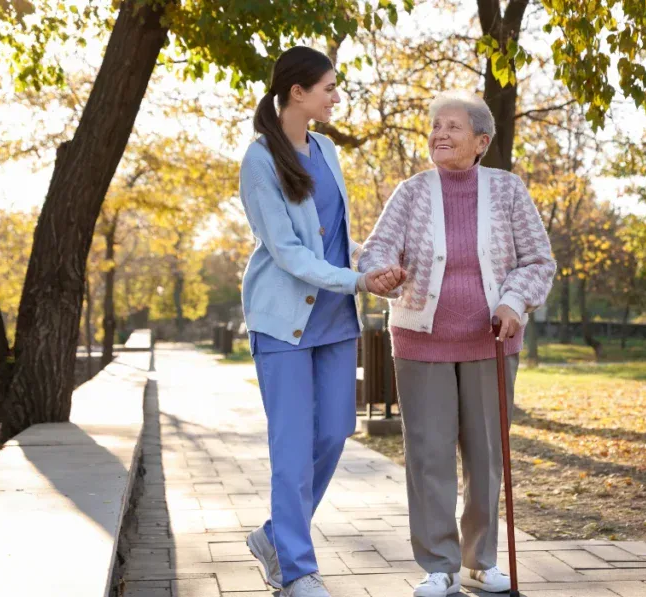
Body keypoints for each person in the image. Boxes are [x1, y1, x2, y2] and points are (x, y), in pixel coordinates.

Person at [358, 91, 556, 597]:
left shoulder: (508, 191)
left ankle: (480, 560)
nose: (439, 135)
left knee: (487, 455)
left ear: (481, 141)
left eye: (452, 127)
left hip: (491, 340)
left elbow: (538, 261)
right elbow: (377, 249)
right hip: (420, 341)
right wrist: (382, 274)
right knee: (428, 454)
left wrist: (513, 302)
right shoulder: (411, 192)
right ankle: (439, 565)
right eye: (435, 127)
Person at [238, 46, 405, 597]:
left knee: (335, 431)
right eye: (329, 87)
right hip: (282, 319)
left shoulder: (327, 149)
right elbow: (287, 251)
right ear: (297, 93)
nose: (336, 96)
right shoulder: (260, 159)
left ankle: (273, 536)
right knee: (291, 445)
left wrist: (368, 264)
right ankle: (297, 568)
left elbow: (329, 237)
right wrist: (356, 280)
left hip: (336, 317)